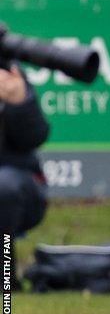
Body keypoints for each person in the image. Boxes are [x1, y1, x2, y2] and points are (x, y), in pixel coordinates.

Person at [0, 61, 49, 291]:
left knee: (4, 186)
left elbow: (35, 136)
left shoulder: (8, 73)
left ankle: (6, 278)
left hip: (19, 188)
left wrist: (19, 102)